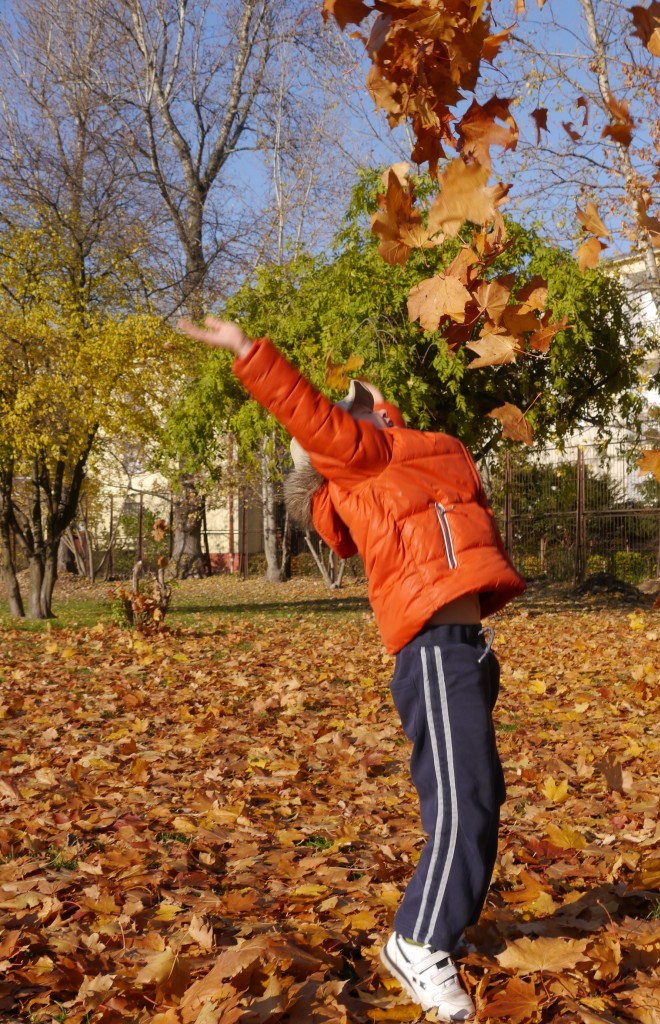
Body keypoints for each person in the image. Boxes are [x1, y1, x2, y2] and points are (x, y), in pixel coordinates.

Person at [177, 315, 526, 1022]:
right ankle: (419, 941)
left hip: (468, 650)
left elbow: (467, 517)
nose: (340, 403)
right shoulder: (363, 461)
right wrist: (251, 352)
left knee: (477, 801)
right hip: (432, 652)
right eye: (332, 416)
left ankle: (434, 932)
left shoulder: (440, 452)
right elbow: (308, 416)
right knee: (466, 805)